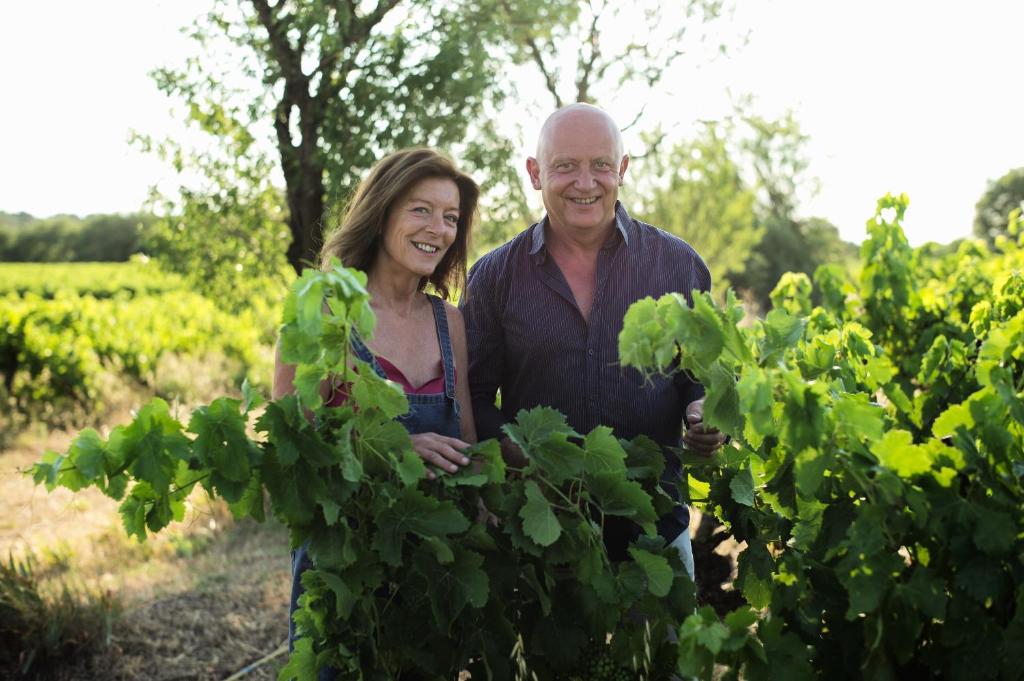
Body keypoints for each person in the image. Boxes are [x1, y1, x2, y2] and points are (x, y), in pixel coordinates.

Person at [460, 103, 726, 577]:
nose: (585, 183)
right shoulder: (494, 277)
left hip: (656, 530)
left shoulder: (679, 266)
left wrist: (705, 414)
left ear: (622, 170)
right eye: (565, 166)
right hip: (544, 533)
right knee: (556, 655)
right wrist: (513, 447)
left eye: (601, 165)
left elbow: (702, 379)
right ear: (536, 173)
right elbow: (473, 396)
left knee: (661, 655)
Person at [273, 148, 479, 678]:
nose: (439, 228)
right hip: (342, 574)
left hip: (431, 573)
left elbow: (468, 445)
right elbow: (291, 454)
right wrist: (391, 451)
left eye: (451, 217)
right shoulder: (321, 311)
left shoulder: (449, 322)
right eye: (421, 210)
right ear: (382, 211)